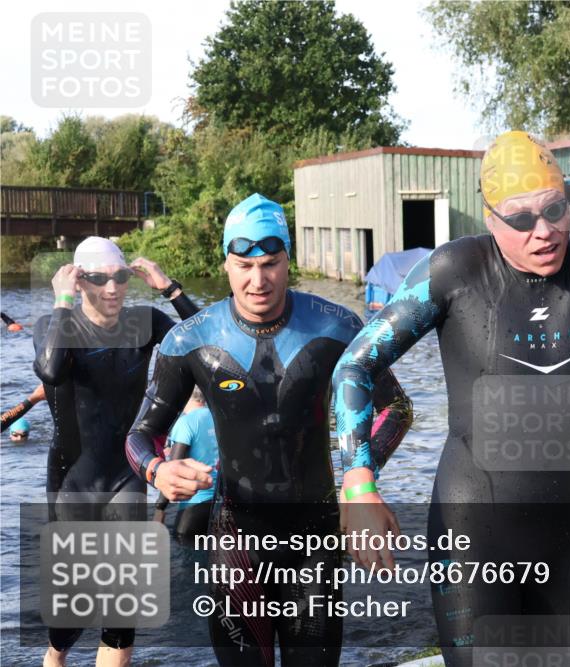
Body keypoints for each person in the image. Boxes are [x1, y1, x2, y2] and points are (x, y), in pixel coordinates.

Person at [333, 131, 570, 665]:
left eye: (554, 211)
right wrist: (358, 485)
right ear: (489, 218)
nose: (544, 232)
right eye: (520, 218)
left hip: (563, 536)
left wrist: (563, 186)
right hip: (473, 531)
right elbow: (355, 364)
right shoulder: (455, 272)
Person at [125, 193, 413, 666]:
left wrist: (359, 479)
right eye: (244, 265)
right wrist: (157, 470)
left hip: (315, 539)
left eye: (271, 264)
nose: (258, 280)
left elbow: (396, 408)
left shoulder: (337, 326)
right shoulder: (190, 337)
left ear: (287, 261)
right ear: (225, 265)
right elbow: (141, 434)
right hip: (235, 538)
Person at [33, 236, 199, 667]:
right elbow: (50, 370)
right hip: (74, 482)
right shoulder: (54, 326)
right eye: (99, 279)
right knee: (69, 620)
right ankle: (55, 654)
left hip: (126, 475)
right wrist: (62, 303)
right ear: (79, 280)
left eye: (120, 277)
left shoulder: (144, 322)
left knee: (121, 616)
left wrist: (170, 289)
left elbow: (209, 345)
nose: (112, 288)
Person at [152, 386, 219, 544]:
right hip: (220, 503)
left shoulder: (185, 423)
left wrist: (159, 509)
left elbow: (174, 470)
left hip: (195, 505)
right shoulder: (218, 417)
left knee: (184, 549)